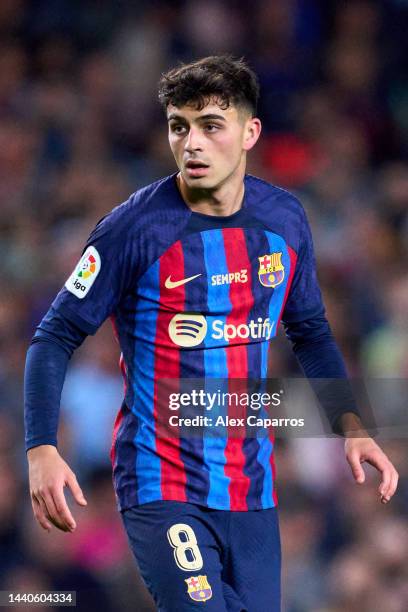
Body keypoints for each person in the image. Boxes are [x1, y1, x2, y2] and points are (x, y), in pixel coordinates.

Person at [25, 56, 399, 612]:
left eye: (210, 126)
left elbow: (312, 331)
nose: (192, 143)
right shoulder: (133, 229)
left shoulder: (285, 221)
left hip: (251, 490)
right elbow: (53, 336)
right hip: (160, 480)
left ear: (250, 133)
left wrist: (352, 426)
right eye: (180, 126)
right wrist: (41, 449)